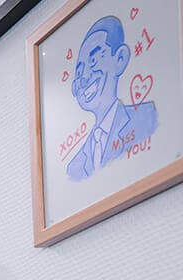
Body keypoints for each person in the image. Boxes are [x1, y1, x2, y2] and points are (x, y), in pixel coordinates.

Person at [66, 15, 157, 182]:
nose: (84, 77)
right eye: (79, 72)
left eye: (93, 60)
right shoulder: (74, 167)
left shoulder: (149, 117)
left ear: (120, 59)